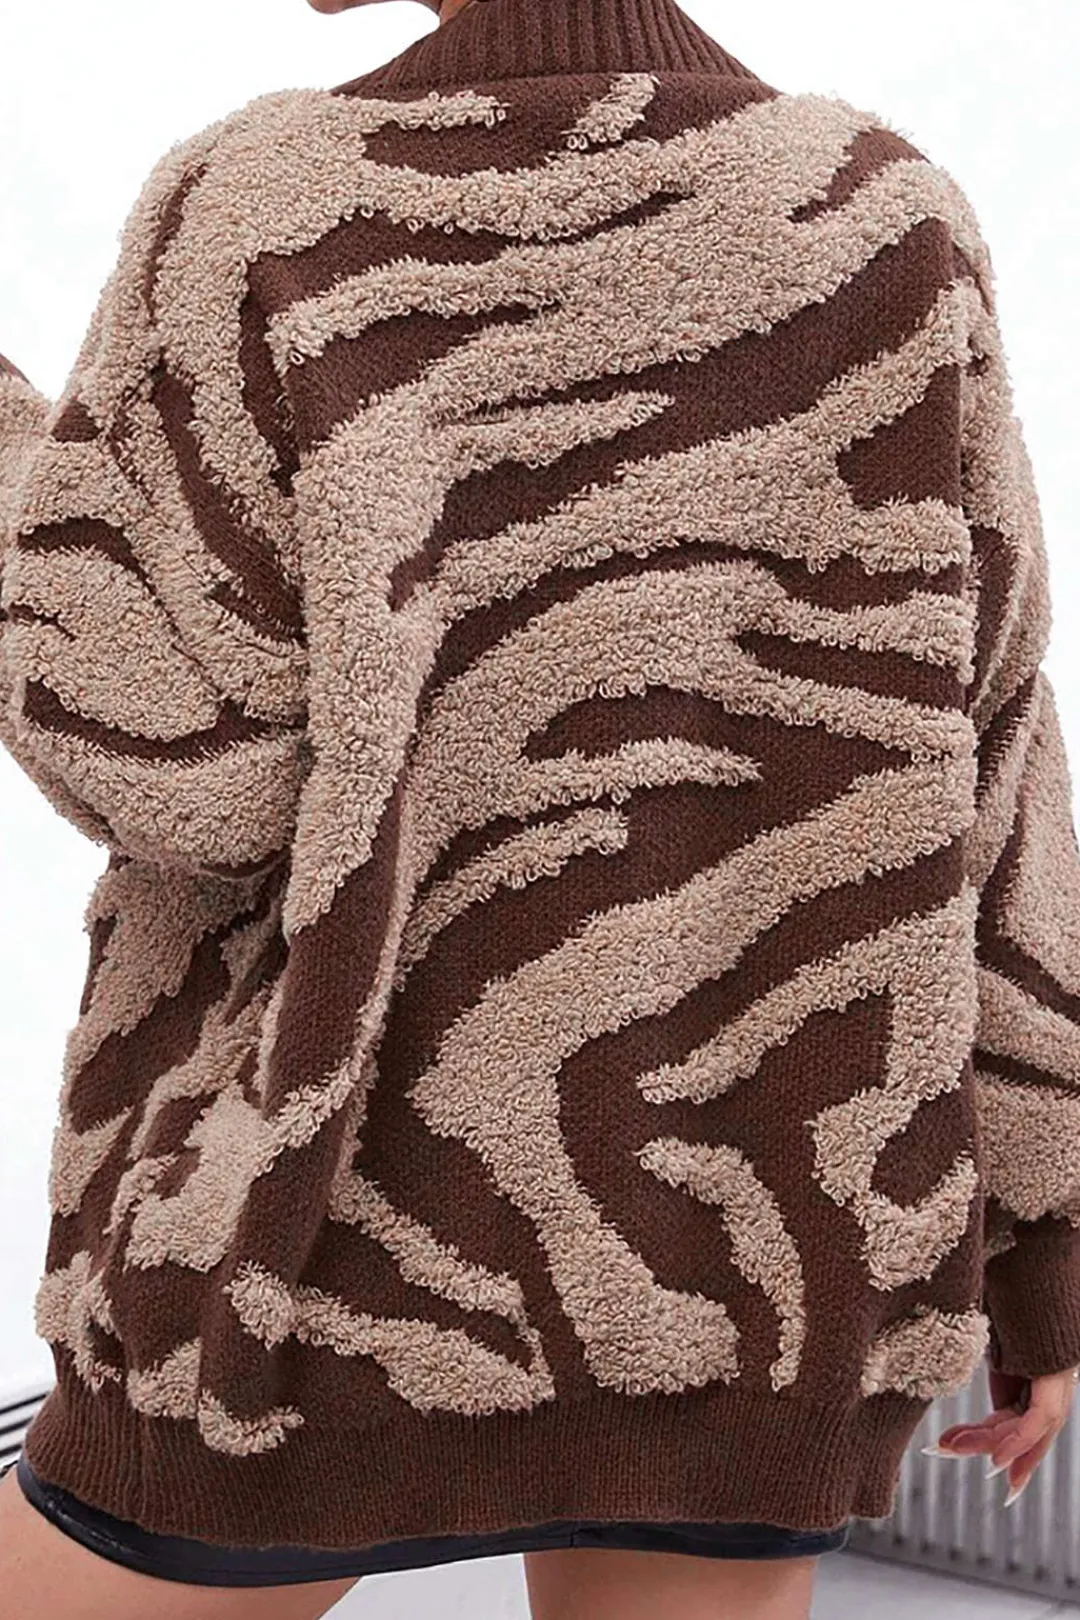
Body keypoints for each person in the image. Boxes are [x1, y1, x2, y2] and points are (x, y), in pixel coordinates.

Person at [0, 0, 1078, 1616]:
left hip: (319, 1284)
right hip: (758, 1290)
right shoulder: (886, 214)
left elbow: (177, 762)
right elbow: (990, 763)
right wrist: (1050, 1253)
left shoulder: (271, 206)